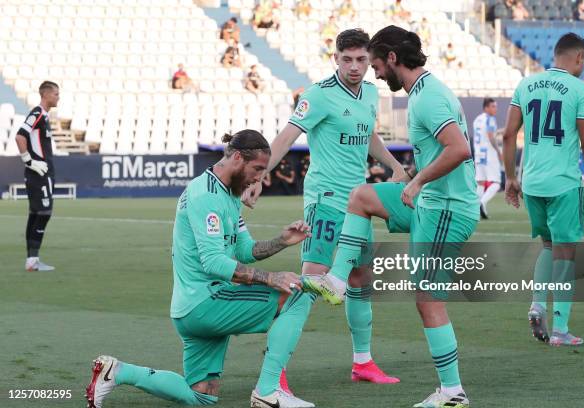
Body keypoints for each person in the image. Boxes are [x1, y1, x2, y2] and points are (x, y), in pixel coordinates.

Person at [85, 130, 316, 408]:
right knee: (296, 294)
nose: (259, 178)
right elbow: (214, 262)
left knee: (201, 397)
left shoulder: (230, 194)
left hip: (191, 309)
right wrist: (271, 278)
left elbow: (243, 250)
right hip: (207, 302)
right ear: (238, 158)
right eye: (257, 169)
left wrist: (282, 241)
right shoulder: (205, 194)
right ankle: (268, 391)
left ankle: (117, 371)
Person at [313, 25, 479, 408]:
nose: (373, 73)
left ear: (392, 57)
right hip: (430, 202)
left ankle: (452, 392)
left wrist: (418, 180)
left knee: (427, 297)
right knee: (362, 196)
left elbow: (459, 149)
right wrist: (411, 176)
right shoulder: (422, 93)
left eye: (374, 65)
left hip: (446, 210)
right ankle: (338, 279)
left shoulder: (428, 98)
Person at [242, 29, 406, 392]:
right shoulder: (317, 95)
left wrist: (394, 165)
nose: (354, 66)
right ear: (335, 58)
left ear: (369, 58)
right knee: (311, 282)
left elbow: (369, 136)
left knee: (360, 279)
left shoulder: (369, 91)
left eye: (362, 60)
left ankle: (362, 362)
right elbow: (286, 137)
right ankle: (276, 369)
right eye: (347, 59)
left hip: (359, 204)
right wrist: (259, 175)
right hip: (327, 201)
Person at [503, 33, 584, 347]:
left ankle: (537, 304)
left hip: (532, 182)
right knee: (566, 253)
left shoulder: (525, 84)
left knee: (547, 245)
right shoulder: (580, 90)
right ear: (578, 58)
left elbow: (509, 135)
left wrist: (511, 178)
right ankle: (561, 329)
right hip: (563, 182)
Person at [15, 81, 60, 272]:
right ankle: (32, 260)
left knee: (36, 214)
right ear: (46, 95)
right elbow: (20, 136)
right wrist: (29, 161)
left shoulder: (45, 116)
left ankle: (32, 260)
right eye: (56, 94)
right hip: (39, 173)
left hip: (42, 173)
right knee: (43, 213)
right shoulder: (37, 113)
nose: (58, 97)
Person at [473, 97, 502, 219]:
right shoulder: (490, 119)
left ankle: (475, 209)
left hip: (479, 154)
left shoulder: (477, 120)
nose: (495, 108)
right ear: (486, 107)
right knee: (496, 183)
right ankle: (482, 202)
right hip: (489, 153)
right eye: (493, 106)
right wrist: (498, 150)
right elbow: (490, 136)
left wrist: (499, 132)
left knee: (480, 182)